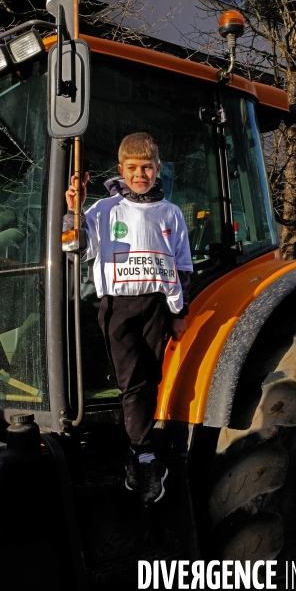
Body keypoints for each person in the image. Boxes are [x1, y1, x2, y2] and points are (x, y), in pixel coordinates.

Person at [64, 132, 193, 506]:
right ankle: (145, 456)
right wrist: (73, 209)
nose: (141, 175)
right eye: (133, 168)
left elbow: (181, 267)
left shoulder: (171, 213)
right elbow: (75, 245)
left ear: (157, 170)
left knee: (150, 379)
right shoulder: (103, 210)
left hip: (157, 305)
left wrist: (178, 313)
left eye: (147, 168)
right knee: (133, 382)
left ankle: (141, 451)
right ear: (121, 170)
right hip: (118, 306)